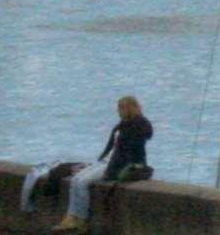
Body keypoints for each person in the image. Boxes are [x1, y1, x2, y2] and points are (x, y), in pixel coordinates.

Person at [47, 96, 151, 231]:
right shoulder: (120, 126)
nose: (118, 111)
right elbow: (110, 147)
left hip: (116, 164)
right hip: (106, 161)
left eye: (121, 108)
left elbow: (141, 140)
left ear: (130, 109)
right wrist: (100, 159)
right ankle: (71, 216)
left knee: (82, 182)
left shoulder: (139, 125)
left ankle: (81, 219)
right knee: (76, 179)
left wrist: (116, 163)